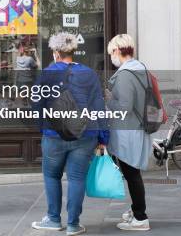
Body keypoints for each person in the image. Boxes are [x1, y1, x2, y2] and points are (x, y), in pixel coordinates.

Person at [31, 32, 109, 236]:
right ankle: (74, 224)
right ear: (73, 51)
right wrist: (103, 137)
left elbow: (36, 104)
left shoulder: (46, 74)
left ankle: (54, 219)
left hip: (54, 134)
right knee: (76, 178)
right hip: (85, 134)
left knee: (51, 175)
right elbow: (99, 106)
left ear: (56, 52)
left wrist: (43, 126)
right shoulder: (89, 74)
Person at [106, 34, 151, 231]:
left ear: (117, 51)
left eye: (111, 53)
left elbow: (124, 106)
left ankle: (140, 217)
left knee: (132, 174)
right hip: (138, 129)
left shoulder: (125, 75)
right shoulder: (141, 69)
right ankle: (137, 210)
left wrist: (108, 99)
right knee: (133, 173)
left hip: (128, 132)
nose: (110, 57)